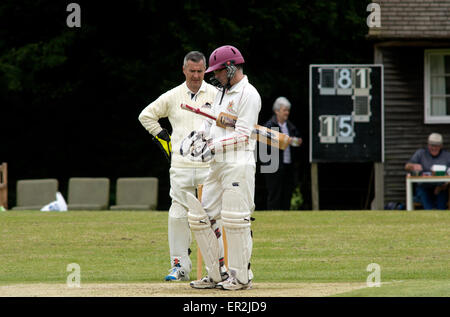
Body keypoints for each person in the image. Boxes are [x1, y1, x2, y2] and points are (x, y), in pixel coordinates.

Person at [180, 45, 261, 290]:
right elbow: (213, 122)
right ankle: (216, 274)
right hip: (217, 165)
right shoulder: (222, 93)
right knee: (199, 216)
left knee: (235, 220)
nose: (214, 76)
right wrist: (199, 136)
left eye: (218, 71)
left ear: (231, 67)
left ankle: (241, 277)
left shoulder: (249, 94)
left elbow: (244, 135)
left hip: (238, 164)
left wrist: (212, 146)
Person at [138, 51, 220, 281]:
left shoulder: (216, 95)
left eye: (200, 71)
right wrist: (163, 137)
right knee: (177, 214)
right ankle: (180, 266)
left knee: (212, 215)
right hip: (181, 165)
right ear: (184, 70)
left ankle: (219, 267)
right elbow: (146, 116)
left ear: (206, 71)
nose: (196, 76)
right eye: (192, 71)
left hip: (208, 166)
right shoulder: (173, 96)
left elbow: (228, 122)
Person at [263, 96, 302, 210]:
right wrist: (284, 140)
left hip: (288, 164)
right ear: (276, 111)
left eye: (288, 110)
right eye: (284, 110)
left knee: (287, 192)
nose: (287, 113)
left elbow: (296, 140)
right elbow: (265, 146)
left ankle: (286, 216)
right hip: (273, 166)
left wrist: (297, 141)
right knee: (274, 193)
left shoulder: (291, 126)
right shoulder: (269, 126)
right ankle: (272, 217)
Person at [405, 133, 450, 210]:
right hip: (424, 186)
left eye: (437, 146)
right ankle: (429, 213)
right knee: (423, 193)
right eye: (432, 145)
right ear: (428, 145)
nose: (434, 148)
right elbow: (406, 166)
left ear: (441, 146)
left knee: (442, 199)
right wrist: (413, 166)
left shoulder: (447, 156)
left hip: (441, 187)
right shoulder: (420, 153)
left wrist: (442, 186)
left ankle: (440, 216)